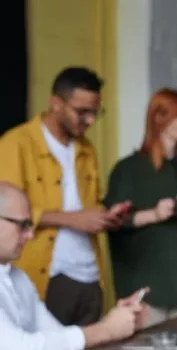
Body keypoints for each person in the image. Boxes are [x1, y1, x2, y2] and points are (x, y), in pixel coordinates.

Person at [0, 67, 131, 326]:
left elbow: (88, 205)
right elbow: (6, 213)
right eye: (82, 112)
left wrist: (106, 217)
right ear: (56, 104)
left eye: (95, 112)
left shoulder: (87, 150)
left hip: (91, 278)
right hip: (47, 278)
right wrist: (73, 220)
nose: (91, 120)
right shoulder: (15, 144)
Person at [103, 88, 177, 328]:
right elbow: (112, 221)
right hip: (148, 296)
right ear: (159, 118)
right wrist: (154, 214)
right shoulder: (128, 169)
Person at [0, 182, 149, 350]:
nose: (30, 234)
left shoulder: (19, 279)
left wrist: (116, 323)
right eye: (23, 225)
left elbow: (57, 336)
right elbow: (20, 347)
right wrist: (106, 330)